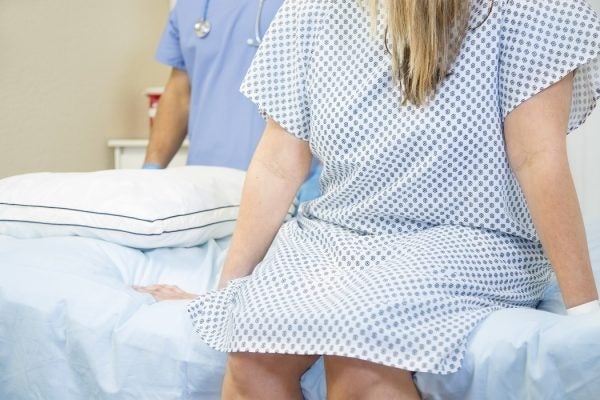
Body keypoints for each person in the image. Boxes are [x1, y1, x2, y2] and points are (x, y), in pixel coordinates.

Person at [137, 0, 600, 397]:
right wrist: (226, 295)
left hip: (470, 236)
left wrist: (586, 313)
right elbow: (278, 164)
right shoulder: (314, 10)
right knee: (251, 357)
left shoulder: (530, 8)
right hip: (335, 236)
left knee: (360, 354)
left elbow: (537, 156)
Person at [142, 0, 321, 195]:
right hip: (205, 188)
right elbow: (179, 92)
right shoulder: (188, 5)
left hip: (287, 186)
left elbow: (340, 86)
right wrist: (151, 170)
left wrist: (325, 171)